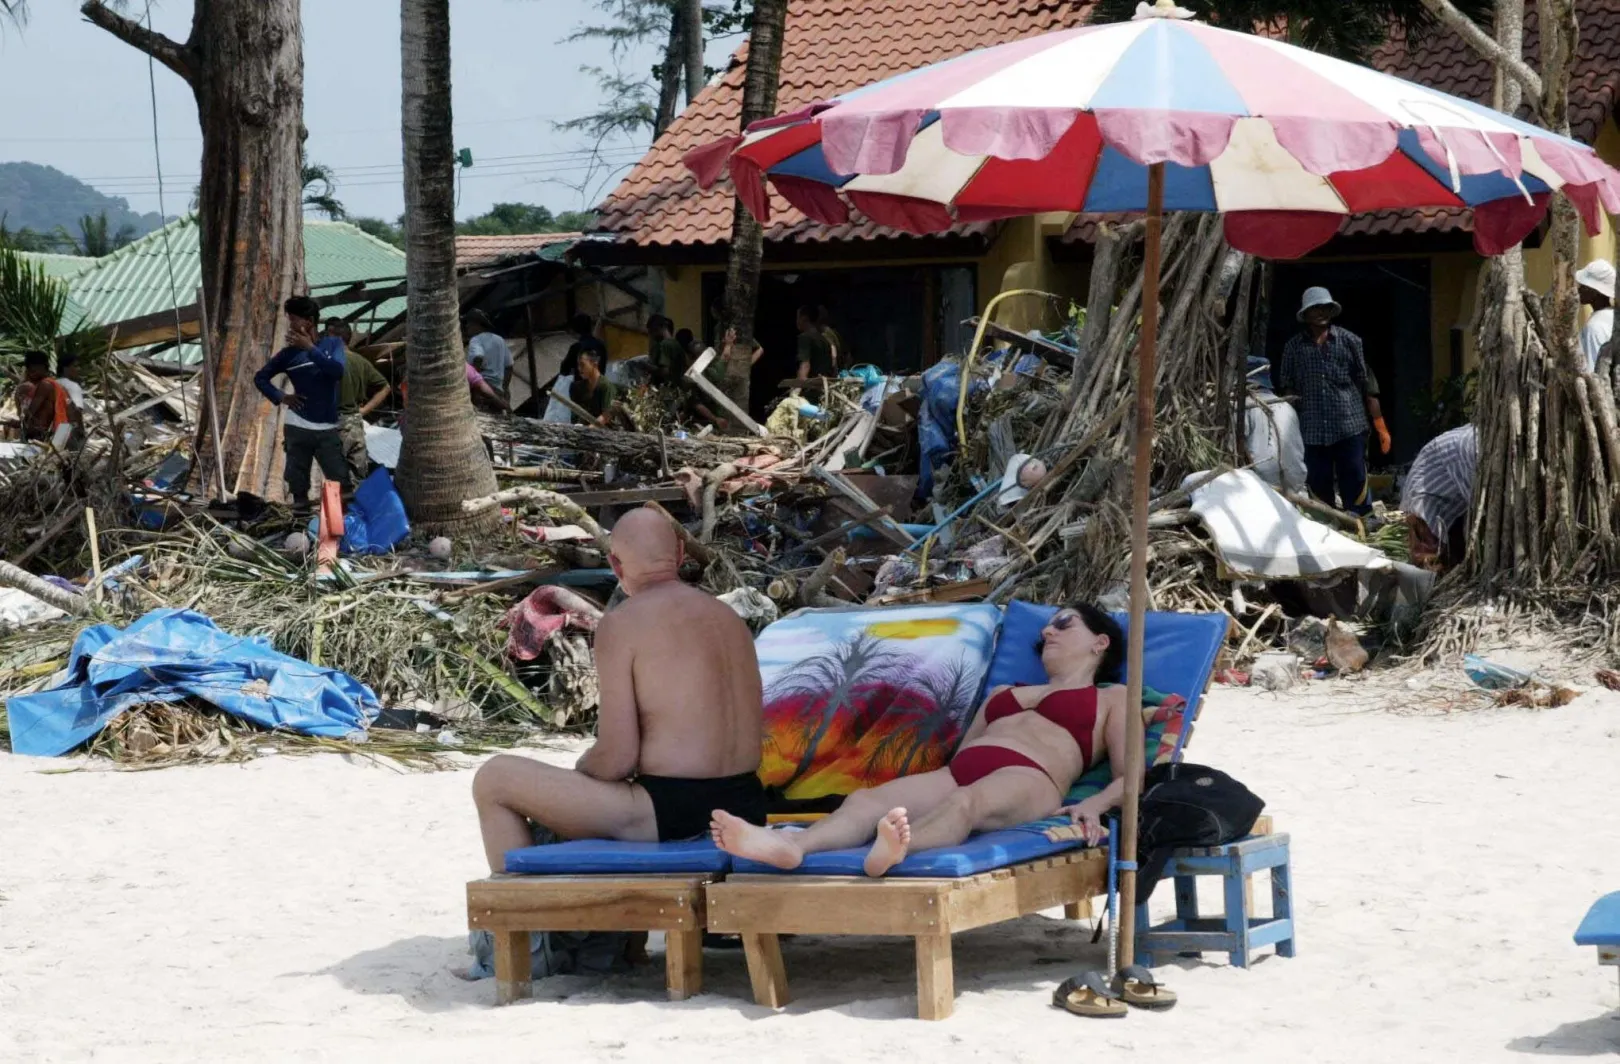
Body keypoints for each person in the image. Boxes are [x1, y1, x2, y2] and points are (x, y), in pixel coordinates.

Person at [712, 603, 1130, 878]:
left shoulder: (1113, 697)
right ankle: (794, 846)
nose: (1048, 632)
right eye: (1045, 629)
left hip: (1032, 777)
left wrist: (1094, 803)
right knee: (865, 800)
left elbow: (1133, 775)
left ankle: (896, 852)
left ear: (1100, 642)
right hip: (961, 772)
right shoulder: (1005, 694)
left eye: (1062, 623)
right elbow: (967, 750)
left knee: (967, 803)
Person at [471, 509, 768, 869]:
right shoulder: (731, 620)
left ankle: (519, 920)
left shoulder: (623, 623)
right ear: (678, 553)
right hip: (748, 806)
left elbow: (618, 757)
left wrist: (581, 773)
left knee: (495, 778)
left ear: (615, 564)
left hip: (671, 812)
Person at [1277, 287, 1388, 517]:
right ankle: (1328, 526)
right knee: (1318, 487)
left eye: (1325, 307)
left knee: (1355, 480)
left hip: (1350, 427)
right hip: (1312, 431)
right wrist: (1289, 429)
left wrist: (1380, 427)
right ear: (1305, 315)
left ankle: (1362, 525)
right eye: (1315, 308)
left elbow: (1367, 385)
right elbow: (1288, 390)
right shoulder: (1293, 349)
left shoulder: (1350, 342)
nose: (1321, 312)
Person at [254, 295, 349, 515]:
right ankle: (300, 527)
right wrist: (282, 396)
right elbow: (260, 378)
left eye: (294, 319)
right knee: (298, 482)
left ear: (308, 321)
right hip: (297, 426)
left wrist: (310, 348)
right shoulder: (288, 355)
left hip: (327, 428)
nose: (291, 324)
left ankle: (341, 526)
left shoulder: (332, 344)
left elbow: (337, 371)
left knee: (340, 480)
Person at [1400, 423, 1478, 571]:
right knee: (1431, 564)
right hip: (1428, 502)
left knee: (1454, 558)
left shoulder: (1478, 438)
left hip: (1452, 504)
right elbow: (1479, 502)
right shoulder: (1471, 446)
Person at [328, 319, 390, 482]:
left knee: (332, 477)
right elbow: (385, 387)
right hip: (355, 424)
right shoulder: (361, 362)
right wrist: (364, 410)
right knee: (357, 476)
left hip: (333, 424)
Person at [17, 350, 69, 444]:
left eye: (31, 369)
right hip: (59, 432)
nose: (30, 372)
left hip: (46, 436)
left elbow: (29, 414)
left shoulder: (45, 385)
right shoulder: (52, 384)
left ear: (42, 367)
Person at [1576, 259, 1615, 371]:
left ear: (1595, 292)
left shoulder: (1594, 328)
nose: (1579, 289)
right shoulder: (1612, 317)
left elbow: (1592, 373)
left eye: (1584, 285)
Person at [464, 310, 512, 395]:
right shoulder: (499, 340)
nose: (467, 326)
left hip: (483, 388)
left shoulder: (476, 339)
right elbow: (509, 366)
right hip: (498, 389)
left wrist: (475, 378)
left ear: (477, 324)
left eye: (469, 323)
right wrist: (505, 388)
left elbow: (478, 357)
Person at [567, 348, 619, 425]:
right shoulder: (577, 388)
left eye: (582, 364)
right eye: (578, 365)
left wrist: (589, 429)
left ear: (594, 364)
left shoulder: (606, 386)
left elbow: (606, 416)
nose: (579, 368)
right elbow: (575, 415)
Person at [794, 304, 836, 382]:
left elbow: (805, 364)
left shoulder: (805, 337)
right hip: (824, 383)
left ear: (804, 319)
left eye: (798, 318)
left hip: (812, 387)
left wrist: (798, 385)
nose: (797, 321)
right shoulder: (824, 339)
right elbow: (833, 362)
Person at [560, 312, 607, 379]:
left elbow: (564, 371)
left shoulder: (575, 348)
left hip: (582, 388)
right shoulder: (601, 346)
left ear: (575, 330)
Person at [647, 314, 689, 384]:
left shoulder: (665, 344)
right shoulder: (676, 344)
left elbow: (665, 371)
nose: (652, 336)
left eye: (651, 332)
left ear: (658, 328)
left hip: (668, 388)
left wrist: (648, 368)